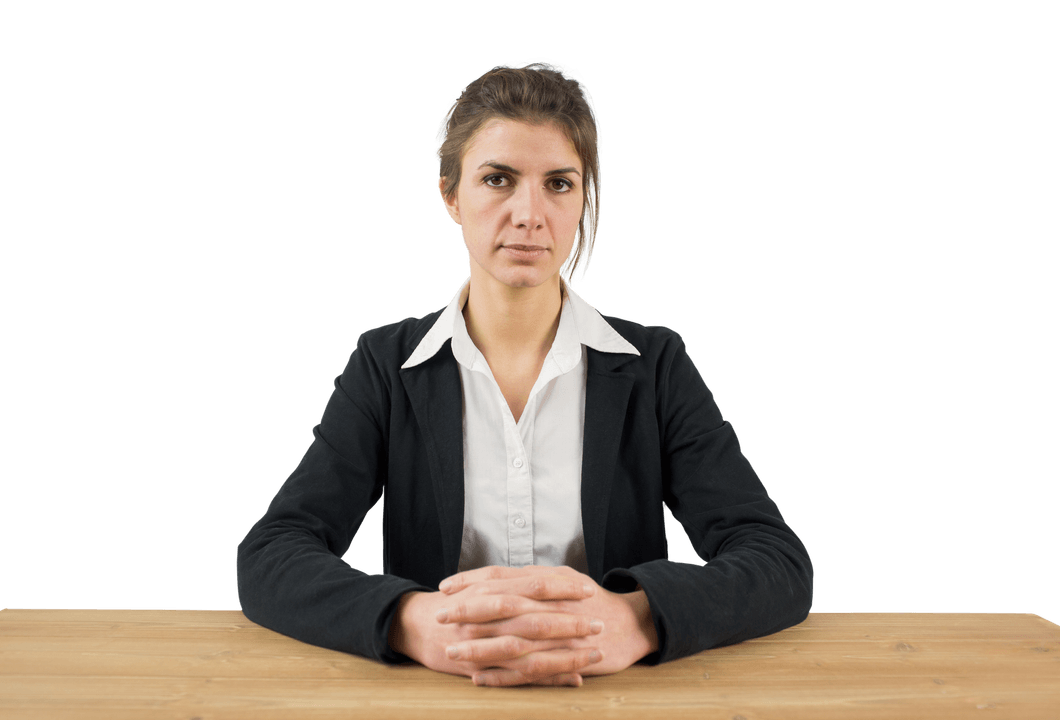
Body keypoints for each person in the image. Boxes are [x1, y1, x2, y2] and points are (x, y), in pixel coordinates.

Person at [235, 58, 814, 688]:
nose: (529, 213)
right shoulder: (386, 365)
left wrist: (639, 619)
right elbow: (273, 554)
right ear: (450, 195)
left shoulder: (655, 366)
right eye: (498, 179)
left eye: (559, 183)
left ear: (585, 196)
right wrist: (410, 620)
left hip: (614, 699)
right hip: (442, 698)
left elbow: (777, 560)